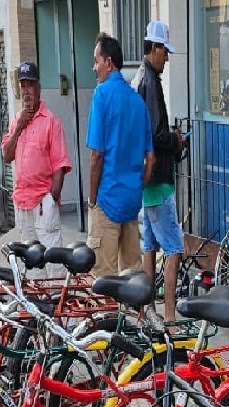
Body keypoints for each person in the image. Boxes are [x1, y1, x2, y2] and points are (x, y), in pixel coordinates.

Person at [86, 32, 154, 276]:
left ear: (109, 62)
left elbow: (96, 156)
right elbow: (151, 160)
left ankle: (108, 317)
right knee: (132, 280)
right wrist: (137, 187)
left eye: (96, 60)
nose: (94, 67)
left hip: (107, 200)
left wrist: (92, 200)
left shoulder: (101, 95)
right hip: (131, 202)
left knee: (101, 281)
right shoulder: (138, 102)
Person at [1, 60, 72, 280]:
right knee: (31, 262)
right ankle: (38, 308)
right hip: (22, 202)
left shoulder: (51, 122)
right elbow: (6, 155)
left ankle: (60, 309)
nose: (27, 91)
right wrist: (20, 126)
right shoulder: (16, 121)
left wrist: (52, 199)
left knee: (53, 259)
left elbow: (60, 166)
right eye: (23, 86)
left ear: (38, 87)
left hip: (43, 202)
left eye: (30, 85)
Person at [137, 21, 187, 322]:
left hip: (147, 180)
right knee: (174, 248)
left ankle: (146, 313)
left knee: (150, 247)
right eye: (164, 51)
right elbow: (155, 135)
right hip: (158, 181)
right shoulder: (151, 83)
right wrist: (177, 139)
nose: (166, 58)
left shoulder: (142, 77)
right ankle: (169, 318)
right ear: (154, 48)